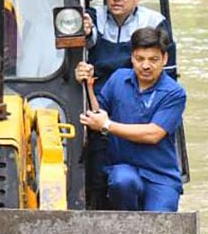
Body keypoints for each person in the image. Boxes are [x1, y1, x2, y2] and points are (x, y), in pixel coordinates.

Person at [78, 0, 171, 208]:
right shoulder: (93, 17)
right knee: (101, 169)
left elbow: (164, 71)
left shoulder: (154, 22)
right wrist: (84, 31)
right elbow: (82, 44)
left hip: (139, 98)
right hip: (101, 97)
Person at [76, 27, 186, 212]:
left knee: (160, 225)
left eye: (153, 59)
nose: (146, 66)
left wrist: (107, 125)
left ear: (165, 59)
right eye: (140, 59)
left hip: (160, 177)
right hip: (125, 169)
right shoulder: (118, 78)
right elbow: (98, 115)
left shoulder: (174, 93)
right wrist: (88, 85)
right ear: (132, 57)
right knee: (122, 180)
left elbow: (153, 134)